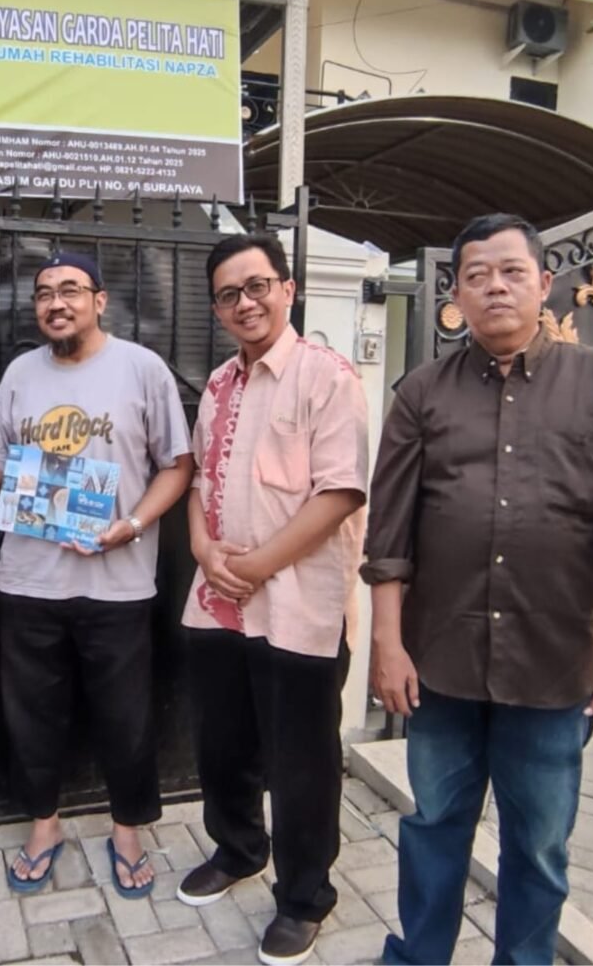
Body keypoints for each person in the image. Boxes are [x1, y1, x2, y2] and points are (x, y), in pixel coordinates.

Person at [363, 213, 593, 965]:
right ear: (456, 294)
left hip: (555, 662)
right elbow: (388, 535)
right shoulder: (421, 392)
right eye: (476, 275)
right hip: (441, 664)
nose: (495, 286)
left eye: (511, 271)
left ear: (544, 284)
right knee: (433, 828)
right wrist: (387, 645)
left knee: (538, 846)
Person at [0, 251, 193, 898]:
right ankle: (44, 826)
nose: (55, 302)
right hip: (28, 581)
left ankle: (127, 830)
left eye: (70, 290)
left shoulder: (141, 368)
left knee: (125, 717)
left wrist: (133, 523)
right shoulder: (20, 373)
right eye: (43, 293)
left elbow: (178, 466)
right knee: (31, 715)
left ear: (100, 300)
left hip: (118, 583)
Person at [178, 234, 368, 966]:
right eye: (228, 294)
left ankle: (304, 897)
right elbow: (200, 482)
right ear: (216, 309)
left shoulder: (326, 376)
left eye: (257, 285)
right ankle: (237, 850)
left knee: (301, 764)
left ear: (287, 289)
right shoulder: (217, 385)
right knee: (222, 744)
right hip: (217, 600)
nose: (245, 302)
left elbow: (340, 491)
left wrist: (256, 565)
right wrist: (202, 550)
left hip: (297, 608)